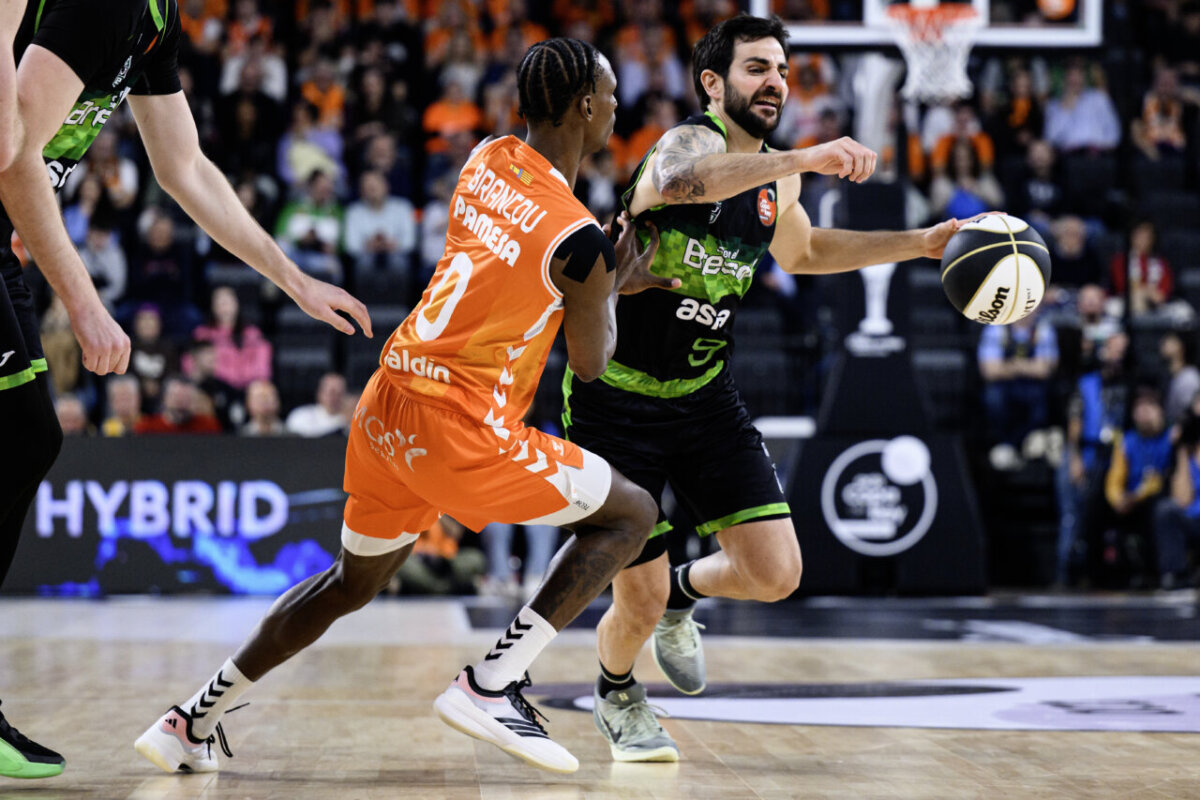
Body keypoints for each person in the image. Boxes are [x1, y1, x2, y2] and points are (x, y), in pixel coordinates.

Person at [136, 37, 671, 776]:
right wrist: (611, 283)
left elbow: (512, 271)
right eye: (609, 94)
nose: (617, 105)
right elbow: (592, 362)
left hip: (387, 402)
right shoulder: (581, 240)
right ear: (585, 107)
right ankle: (492, 684)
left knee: (347, 584)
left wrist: (597, 280)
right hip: (461, 425)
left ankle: (189, 720)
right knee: (632, 514)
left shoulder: (485, 159)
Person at [561, 15, 966, 763]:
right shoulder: (687, 145)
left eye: (781, 68)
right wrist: (806, 155)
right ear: (713, 84)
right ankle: (617, 689)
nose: (775, 81)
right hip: (614, 398)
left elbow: (806, 251)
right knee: (634, 599)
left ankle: (686, 589)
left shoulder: (779, 178)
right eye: (756, 68)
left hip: (704, 394)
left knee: (776, 574)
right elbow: (683, 182)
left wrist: (918, 242)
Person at [285, 371, 348, 437]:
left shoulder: (349, 422)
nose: (336, 398)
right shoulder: (300, 416)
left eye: (340, 393)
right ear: (320, 393)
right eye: (332, 392)